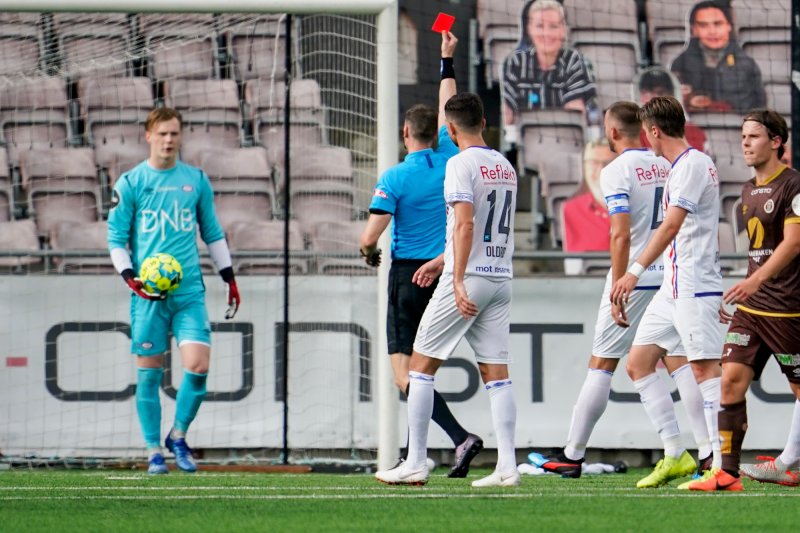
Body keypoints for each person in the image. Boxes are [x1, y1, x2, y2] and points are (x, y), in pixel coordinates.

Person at [531, 101, 712, 479]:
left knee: (602, 363)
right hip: (671, 275)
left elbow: (619, 232)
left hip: (636, 274)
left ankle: (573, 453)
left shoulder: (616, 170)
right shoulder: (669, 163)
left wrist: (619, 281)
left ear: (613, 133)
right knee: (677, 364)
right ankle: (701, 452)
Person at [374, 92, 519, 488]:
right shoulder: (504, 165)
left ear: (450, 130)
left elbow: (466, 224)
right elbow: (483, 225)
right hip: (499, 276)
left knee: (419, 368)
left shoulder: (459, 163)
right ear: (484, 122)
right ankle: (508, 466)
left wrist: (453, 277)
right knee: (496, 373)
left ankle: (415, 462)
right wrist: (442, 259)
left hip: (468, 278)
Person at [359, 32, 483, 478]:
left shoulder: (394, 176)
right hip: (448, 271)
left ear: (405, 133)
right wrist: (446, 60)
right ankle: (418, 451)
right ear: (442, 132)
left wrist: (367, 250)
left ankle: (456, 439)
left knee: (405, 375)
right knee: (430, 369)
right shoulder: (452, 156)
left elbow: (371, 234)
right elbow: (448, 100)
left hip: (410, 276)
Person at [107, 107, 241, 474]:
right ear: (148, 136)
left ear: (180, 137)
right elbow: (116, 237)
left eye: (174, 134)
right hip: (148, 295)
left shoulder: (195, 180)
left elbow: (211, 232)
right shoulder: (131, 182)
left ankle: (178, 435)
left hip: (188, 292)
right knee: (149, 374)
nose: (169, 140)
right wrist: (130, 276)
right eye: (162, 134)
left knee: (198, 366)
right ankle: (153, 450)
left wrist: (228, 276)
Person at [611, 96, 723, 489]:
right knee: (639, 363)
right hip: (673, 289)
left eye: (647, 132)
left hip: (694, 286)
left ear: (654, 130)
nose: (646, 138)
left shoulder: (693, 165)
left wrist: (633, 272)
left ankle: (719, 465)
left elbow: (672, 225)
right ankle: (676, 452)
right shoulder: (679, 167)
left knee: (705, 369)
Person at [688, 109, 800, 491]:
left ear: (776, 142)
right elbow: (759, 252)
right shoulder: (747, 192)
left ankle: (789, 461)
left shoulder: (794, 186)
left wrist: (754, 282)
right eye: (743, 137)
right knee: (730, 381)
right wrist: (743, 288)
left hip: (789, 307)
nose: (745, 144)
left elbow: (794, 243)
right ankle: (728, 473)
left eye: (753, 137)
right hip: (752, 309)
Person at [501, 0, 598, 137]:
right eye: (540, 26)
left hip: (566, 139)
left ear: (563, 30)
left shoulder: (575, 61)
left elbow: (574, 116)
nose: (547, 33)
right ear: (529, 29)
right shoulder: (515, 62)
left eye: (553, 26)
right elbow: (508, 115)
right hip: (525, 139)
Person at [670, 0, 766, 113]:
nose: (712, 31)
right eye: (703, 25)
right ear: (694, 30)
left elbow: (759, 108)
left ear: (729, 26)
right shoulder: (680, 64)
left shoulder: (747, 65)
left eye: (718, 24)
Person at [562, 139, 616, 259]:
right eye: (594, 163)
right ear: (584, 168)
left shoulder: (637, 204)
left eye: (608, 163)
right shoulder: (572, 209)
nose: (601, 170)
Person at [635, 67, 707, 152]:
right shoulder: (632, 133)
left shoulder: (694, 132)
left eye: (660, 92)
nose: (652, 98)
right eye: (645, 92)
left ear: (672, 96)